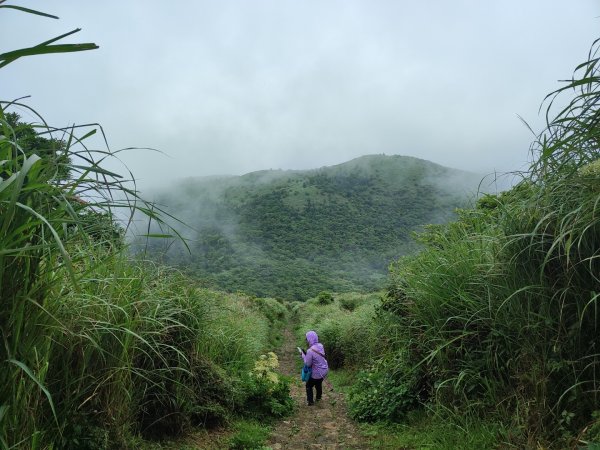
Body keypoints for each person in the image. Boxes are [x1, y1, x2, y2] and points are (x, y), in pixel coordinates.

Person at [298, 330, 329, 406]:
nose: (306, 340)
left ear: (309, 339)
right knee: (318, 383)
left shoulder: (310, 351)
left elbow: (308, 364)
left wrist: (303, 355)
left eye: (307, 339)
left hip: (317, 372)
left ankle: (310, 401)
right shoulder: (320, 346)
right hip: (324, 370)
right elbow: (317, 358)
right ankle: (318, 398)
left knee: (309, 385)